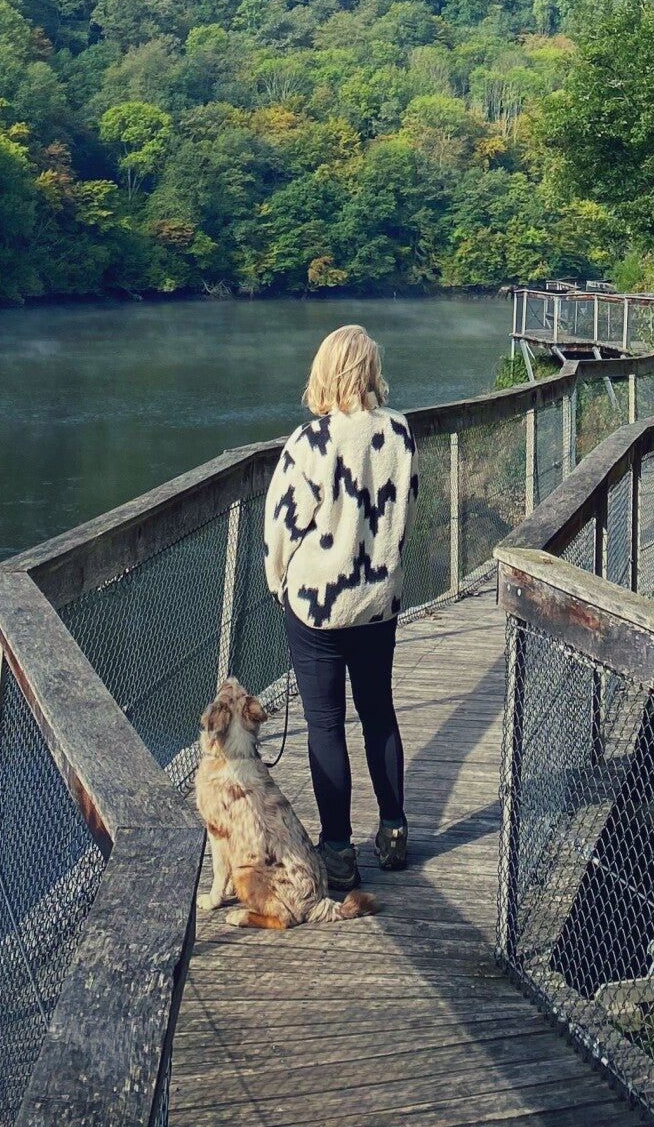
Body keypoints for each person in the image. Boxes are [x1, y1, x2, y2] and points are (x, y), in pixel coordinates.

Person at [263, 322, 418, 886]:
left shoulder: (310, 442)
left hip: (317, 605)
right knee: (379, 712)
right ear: (371, 370)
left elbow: (282, 525)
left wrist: (278, 582)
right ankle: (394, 832)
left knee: (325, 723)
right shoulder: (400, 432)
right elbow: (404, 510)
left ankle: (338, 853)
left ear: (325, 372)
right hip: (377, 600)